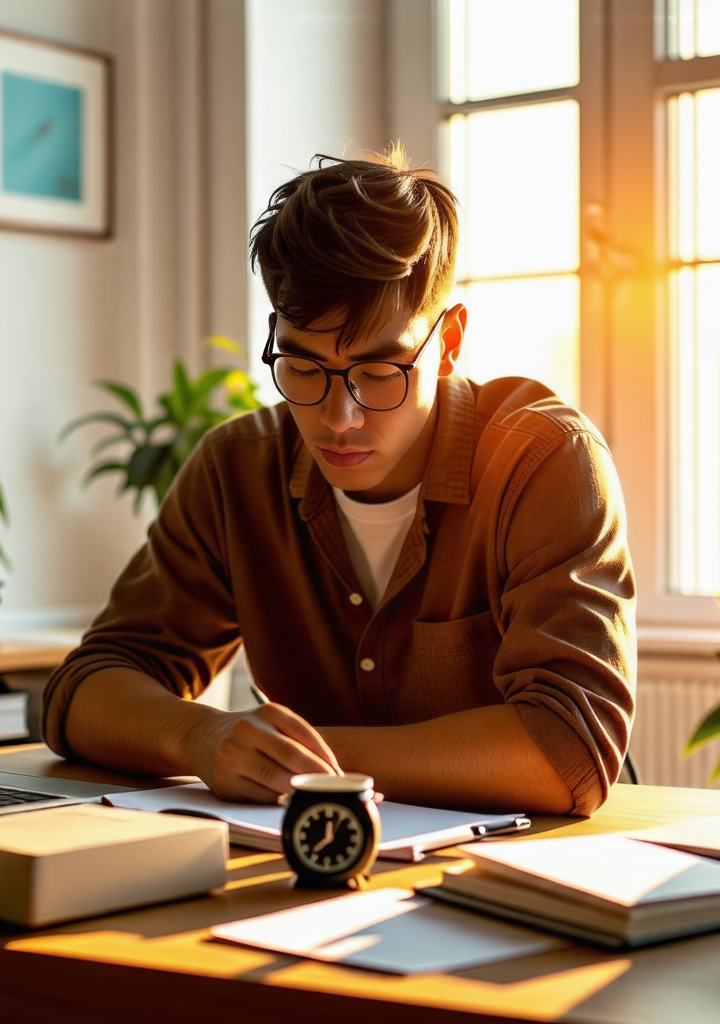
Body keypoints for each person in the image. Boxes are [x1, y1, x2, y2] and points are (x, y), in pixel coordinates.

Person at [43, 146, 635, 816]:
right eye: (303, 365)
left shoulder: (542, 461)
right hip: (313, 874)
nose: (338, 417)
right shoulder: (237, 469)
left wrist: (295, 760)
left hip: (535, 874)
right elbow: (85, 690)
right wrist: (203, 736)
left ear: (449, 340)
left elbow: (567, 753)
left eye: (379, 371)